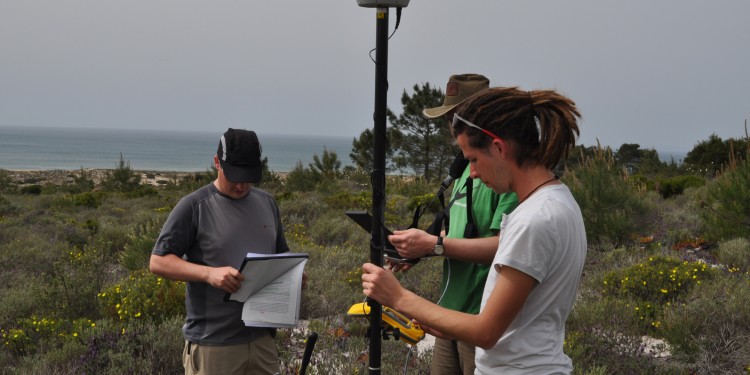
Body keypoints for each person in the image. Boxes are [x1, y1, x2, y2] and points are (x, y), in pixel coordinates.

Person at [363, 87, 586, 374]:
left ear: (498, 147)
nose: (474, 174)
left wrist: (398, 297)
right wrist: (437, 319)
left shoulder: (534, 220)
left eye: (473, 160)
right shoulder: (559, 202)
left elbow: (486, 332)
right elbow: (521, 320)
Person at [387, 74, 518, 375]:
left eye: (457, 116)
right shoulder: (465, 170)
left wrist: (435, 245)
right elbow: (460, 232)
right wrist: (419, 249)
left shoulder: (501, 174)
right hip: (449, 316)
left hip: (482, 320)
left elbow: (507, 246)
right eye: (448, 117)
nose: (451, 125)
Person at [150, 128, 290, 375]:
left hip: (263, 343)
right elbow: (158, 262)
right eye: (234, 175)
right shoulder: (194, 206)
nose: (241, 184)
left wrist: (295, 277)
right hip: (213, 346)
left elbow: (281, 258)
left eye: (248, 176)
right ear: (217, 163)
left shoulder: (267, 203)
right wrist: (209, 274)